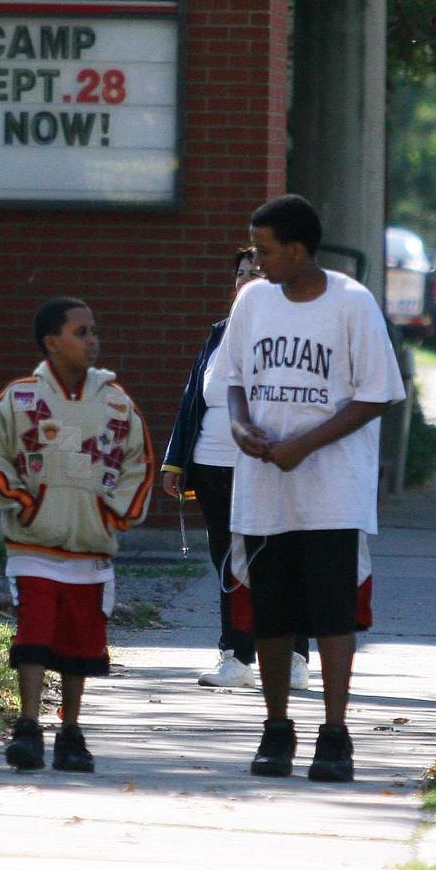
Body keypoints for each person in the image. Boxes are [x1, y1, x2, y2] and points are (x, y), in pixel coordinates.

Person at [216, 194, 405, 783]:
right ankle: (276, 728)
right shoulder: (252, 302)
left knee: (331, 615)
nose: (257, 260)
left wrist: (307, 443)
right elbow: (232, 378)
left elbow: (378, 393)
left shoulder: (351, 303)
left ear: (298, 249)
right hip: (265, 486)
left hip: (331, 490)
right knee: (269, 616)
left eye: (265, 249)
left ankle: (335, 732)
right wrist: (243, 425)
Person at [0, 298, 154, 774]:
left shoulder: (117, 402)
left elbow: (138, 463)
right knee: (34, 635)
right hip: (33, 546)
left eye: (94, 331)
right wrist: (24, 502)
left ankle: (72, 732)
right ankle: (28, 726)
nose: (92, 339)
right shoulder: (19, 399)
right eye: (81, 332)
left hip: (89, 548)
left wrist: (115, 513)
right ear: (51, 342)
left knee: (81, 642)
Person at [161, 249, 314, 692]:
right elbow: (194, 399)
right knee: (229, 562)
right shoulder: (218, 335)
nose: (247, 281)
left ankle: (295, 656)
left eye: (258, 273)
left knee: (280, 560)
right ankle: (236, 655)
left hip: (269, 466)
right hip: (213, 465)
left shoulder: (292, 337)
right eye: (241, 274)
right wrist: (176, 461)